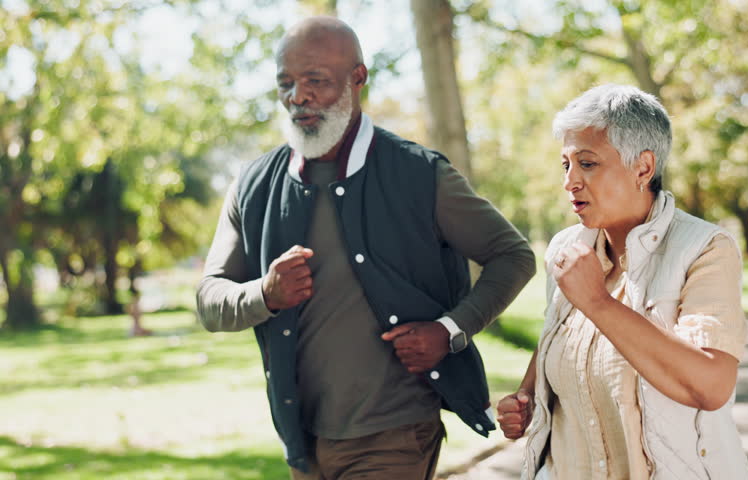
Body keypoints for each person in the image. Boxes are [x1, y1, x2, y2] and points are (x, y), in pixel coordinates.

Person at [195, 16, 536, 480]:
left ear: (358, 78)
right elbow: (209, 299)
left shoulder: (420, 174)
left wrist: (449, 330)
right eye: (286, 83)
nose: (298, 96)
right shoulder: (252, 186)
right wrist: (265, 294)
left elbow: (513, 255)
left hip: (395, 434)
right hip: (303, 444)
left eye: (316, 80)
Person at [497, 84, 748, 479]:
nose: (570, 182)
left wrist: (598, 303)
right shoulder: (566, 249)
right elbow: (558, 332)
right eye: (565, 165)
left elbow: (711, 386)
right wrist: (527, 396)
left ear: (643, 168)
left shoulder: (705, 249)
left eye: (587, 163)